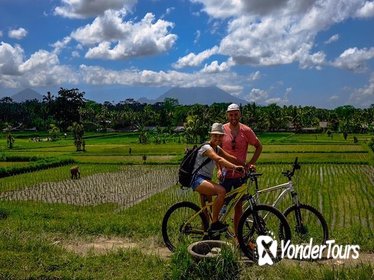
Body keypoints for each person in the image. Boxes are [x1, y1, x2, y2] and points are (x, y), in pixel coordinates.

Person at [190, 122, 245, 234]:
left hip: (206, 180)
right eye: (215, 135)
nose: (218, 138)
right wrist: (235, 168)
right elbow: (219, 160)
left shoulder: (217, 148)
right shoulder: (206, 148)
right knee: (222, 191)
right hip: (197, 180)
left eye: (220, 135)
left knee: (208, 211)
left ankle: (207, 235)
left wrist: (246, 165)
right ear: (211, 135)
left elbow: (231, 157)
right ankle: (215, 223)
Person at [219, 103, 263, 236]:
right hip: (225, 174)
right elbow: (217, 152)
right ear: (227, 115)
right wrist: (219, 169)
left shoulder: (246, 130)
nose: (233, 117)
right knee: (222, 204)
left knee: (238, 206)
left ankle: (238, 237)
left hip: (240, 174)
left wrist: (250, 163)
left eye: (236, 114)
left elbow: (259, 146)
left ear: (240, 115)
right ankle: (218, 233)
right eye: (231, 114)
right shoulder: (222, 129)